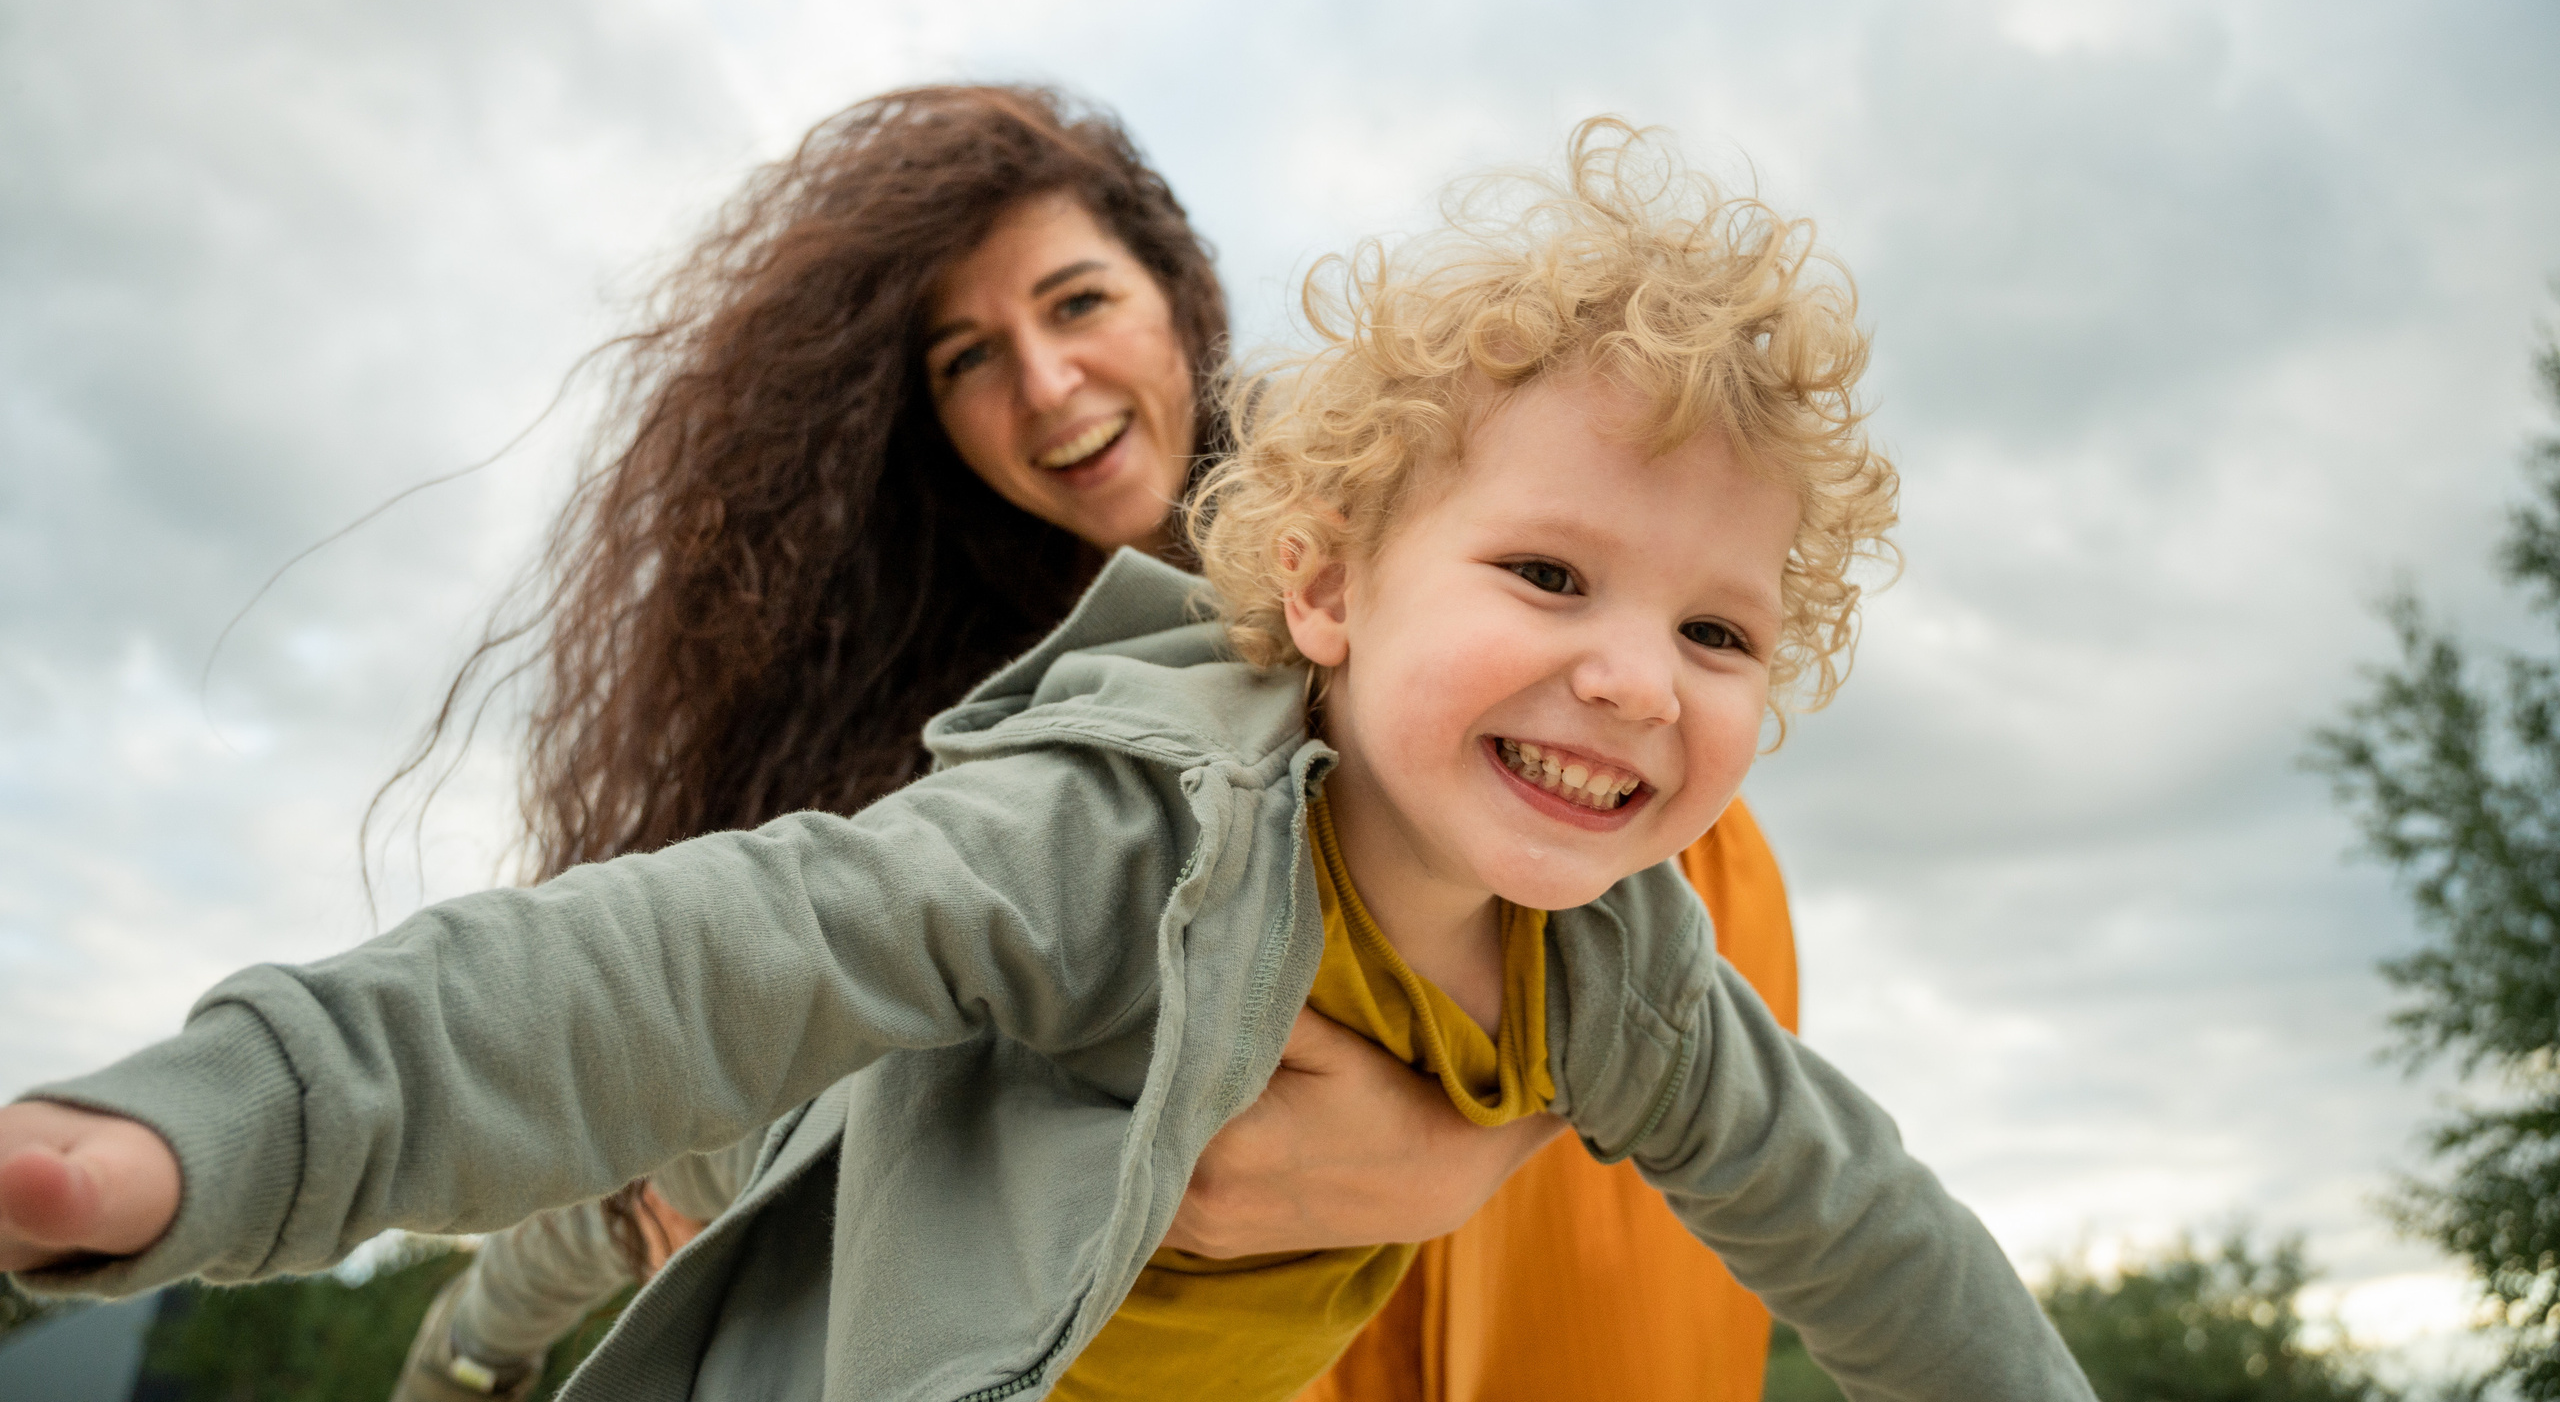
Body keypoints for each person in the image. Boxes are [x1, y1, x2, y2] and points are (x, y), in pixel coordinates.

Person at [0, 117, 2093, 1401]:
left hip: (1178, 1300)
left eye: (1714, 631)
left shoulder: (1610, 934)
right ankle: (455, 1356)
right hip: (869, 1240)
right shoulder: (1112, 817)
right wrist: (227, 1122)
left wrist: (1482, 1145)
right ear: (1324, 584)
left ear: (1179, 316)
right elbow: (684, 960)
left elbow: (1867, 1233)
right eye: (1551, 578)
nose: (1635, 675)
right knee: (660, 1180)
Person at [354, 83, 1798, 1402]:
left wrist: (1456, 1165)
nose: (1046, 386)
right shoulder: (966, 694)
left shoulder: (1401, 530)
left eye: (1078, 302)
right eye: (971, 356)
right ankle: (472, 1350)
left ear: (1178, 300)